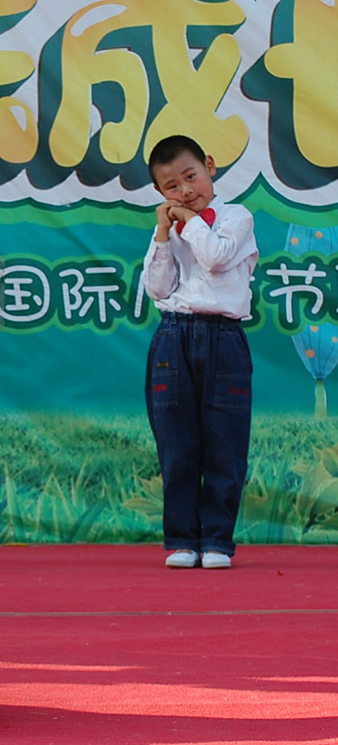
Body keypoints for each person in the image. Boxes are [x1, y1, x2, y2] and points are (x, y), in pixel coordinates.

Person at [141, 135, 259, 570]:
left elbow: (214, 258)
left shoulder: (235, 217)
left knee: (225, 442)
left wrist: (187, 222)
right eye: (172, 186)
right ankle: (182, 539)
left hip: (223, 337)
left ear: (210, 166)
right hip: (173, 335)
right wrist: (162, 233)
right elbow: (156, 289)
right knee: (177, 441)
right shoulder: (170, 230)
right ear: (160, 193)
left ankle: (216, 540)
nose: (186, 191)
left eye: (191, 176)